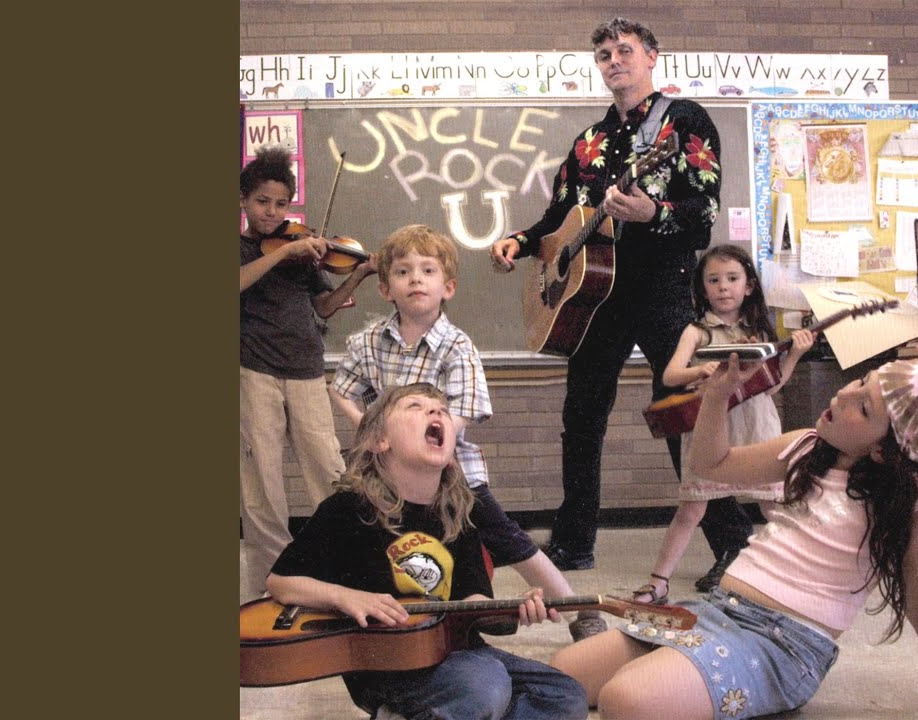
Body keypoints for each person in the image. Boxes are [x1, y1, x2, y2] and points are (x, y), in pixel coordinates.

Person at [490, 16, 754, 590]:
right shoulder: (588, 141)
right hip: (595, 297)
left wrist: (653, 213)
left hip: (662, 286)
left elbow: (704, 213)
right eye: (605, 54)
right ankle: (573, 542)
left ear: (652, 56)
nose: (614, 60)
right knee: (581, 418)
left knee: (682, 413)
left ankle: (734, 544)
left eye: (625, 50)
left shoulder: (684, 121)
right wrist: (522, 241)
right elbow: (560, 219)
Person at [551, 355, 918, 719]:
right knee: (562, 678)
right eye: (860, 381)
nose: (843, 395)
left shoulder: (915, 502)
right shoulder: (806, 447)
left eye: (864, 407)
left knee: (624, 700)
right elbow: (712, 465)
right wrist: (718, 396)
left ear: (884, 450)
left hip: (783, 645)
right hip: (715, 611)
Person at [330, 224, 607, 641]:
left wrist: (424, 446)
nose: (416, 280)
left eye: (427, 271)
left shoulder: (457, 346)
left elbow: (463, 410)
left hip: (452, 471)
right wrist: (370, 431)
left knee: (505, 537)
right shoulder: (366, 342)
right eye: (403, 272)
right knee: (367, 529)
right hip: (386, 470)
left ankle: (576, 608)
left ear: (448, 287)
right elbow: (341, 389)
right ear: (386, 289)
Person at [268, 382, 589, 720]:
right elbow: (280, 582)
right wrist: (347, 597)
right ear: (380, 440)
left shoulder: (459, 514)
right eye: (415, 407)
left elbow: (472, 603)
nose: (436, 411)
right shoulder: (348, 508)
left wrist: (514, 611)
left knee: (565, 695)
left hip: (456, 654)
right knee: (487, 684)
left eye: (443, 410)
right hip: (386, 667)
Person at [630, 245, 815, 605]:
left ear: (749, 286)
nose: (723, 287)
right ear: (703, 288)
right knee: (691, 509)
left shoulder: (758, 331)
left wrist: (794, 354)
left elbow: (770, 386)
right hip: (711, 428)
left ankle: (801, 577)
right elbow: (670, 375)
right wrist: (700, 370)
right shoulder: (696, 331)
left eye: (732, 278)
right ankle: (658, 583)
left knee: (773, 507)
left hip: (756, 425)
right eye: (714, 280)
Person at [239, 146, 379, 600]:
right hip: (254, 372)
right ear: (243, 200)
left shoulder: (301, 253)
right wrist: (285, 253)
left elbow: (325, 306)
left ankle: (340, 574)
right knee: (261, 486)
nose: (272, 212)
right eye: (262, 201)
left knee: (329, 471)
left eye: (281, 204)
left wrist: (358, 275)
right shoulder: (251, 249)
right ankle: (267, 589)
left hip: (306, 371)